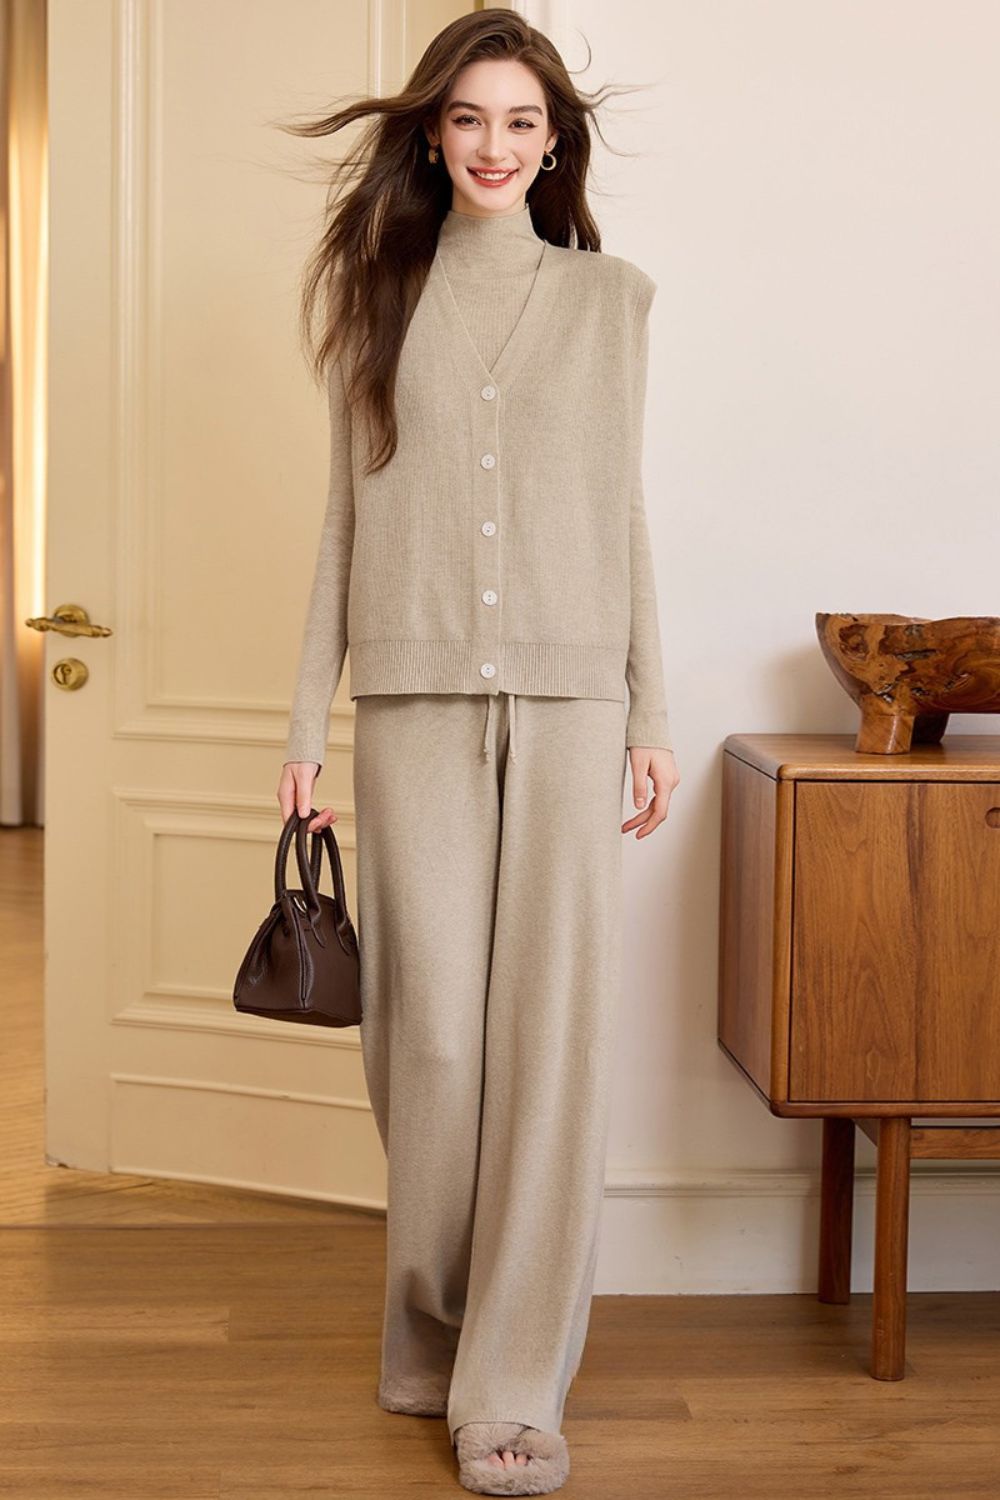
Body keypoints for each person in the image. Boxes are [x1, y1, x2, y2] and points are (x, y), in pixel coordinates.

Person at [277, 11, 680, 1495]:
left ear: (554, 140)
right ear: (432, 135)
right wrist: (301, 722)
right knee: (432, 1045)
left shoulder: (613, 302)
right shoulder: (377, 297)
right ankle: (431, 1339)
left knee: (554, 1046)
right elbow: (341, 520)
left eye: (521, 122)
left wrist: (648, 712)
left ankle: (513, 1380)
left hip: (576, 709)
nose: (496, 146)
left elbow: (623, 516)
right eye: (468, 121)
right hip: (416, 708)